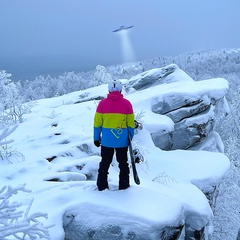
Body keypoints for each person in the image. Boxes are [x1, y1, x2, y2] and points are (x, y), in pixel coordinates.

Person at [93, 80, 135, 191]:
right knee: (123, 164)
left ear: (109, 90)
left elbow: (97, 124)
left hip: (106, 141)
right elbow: (131, 124)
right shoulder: (127, 104)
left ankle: (101, 186)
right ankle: (124, 186)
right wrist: (130, 137)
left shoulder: (102, 104)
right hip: (122, 140)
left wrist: (96, 138)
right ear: (121, 90)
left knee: (104, 163)